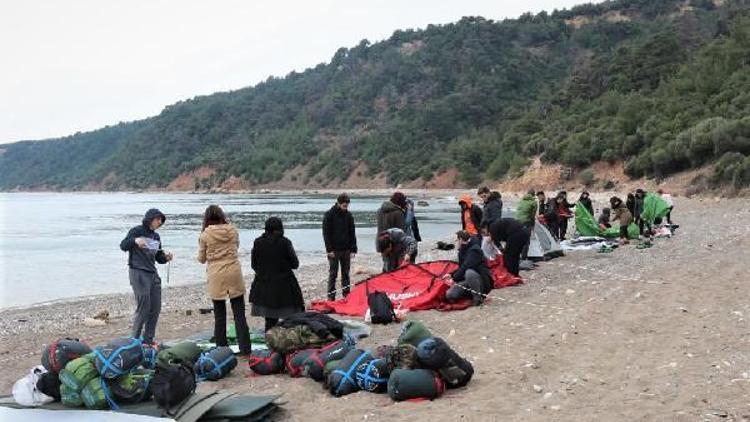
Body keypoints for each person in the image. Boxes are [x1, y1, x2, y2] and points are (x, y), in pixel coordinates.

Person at [197, 205, 251, 356]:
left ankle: (222, 349)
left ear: (206, 218)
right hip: (234, 271)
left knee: (220, 315)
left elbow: (201, 259)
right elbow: (237, 247)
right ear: (222, 215)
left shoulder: (205, 235)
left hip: (216, 274)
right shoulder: (233, 230)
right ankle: (245, 348)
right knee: (239, 313)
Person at [119, 208, 173, 344]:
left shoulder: (156, 237)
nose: (160, 222)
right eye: (158, 219)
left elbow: (159, 257)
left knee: (155, 308)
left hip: (152, 273)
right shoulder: (136, 231)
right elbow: (123, 245)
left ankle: (148, 340)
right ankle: (134, 340)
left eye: (161, 220)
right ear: (150, 218)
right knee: (144, 307)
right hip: (138, 271)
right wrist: (135, 241)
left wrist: (166, 258)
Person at [249, 217, 305, 332]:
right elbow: (295, 264)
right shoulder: (285, 242)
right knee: (291, 319)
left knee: (269, 321)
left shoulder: (258, 242)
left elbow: (254, 264)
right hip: (285, 286)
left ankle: (270, 340)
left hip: (264, 285)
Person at [322, 194, 357, 301]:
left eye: (347, 204)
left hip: (346, 249)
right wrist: (329, 250)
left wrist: (353, 249)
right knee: (333, 274)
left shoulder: (349, 215)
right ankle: (331, 297)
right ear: (338, 203)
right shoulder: (329, 215)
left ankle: (346, 295)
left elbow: (352, 232)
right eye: (344, 204)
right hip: (334, 250)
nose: (345, 206)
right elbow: (326, 234)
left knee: (346, 274)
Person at [444, 231, 493, 306]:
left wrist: (454, 278)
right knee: (450, 294)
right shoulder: (462, 250)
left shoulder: (474, 250)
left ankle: (478, 298)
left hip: (481, 280)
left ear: (460, 239)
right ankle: (470, 293)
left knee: (469, 272)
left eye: (456, 240)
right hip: (467, 281)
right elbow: (461, 267)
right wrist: (451, 274)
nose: (456, 242)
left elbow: (466, 266)